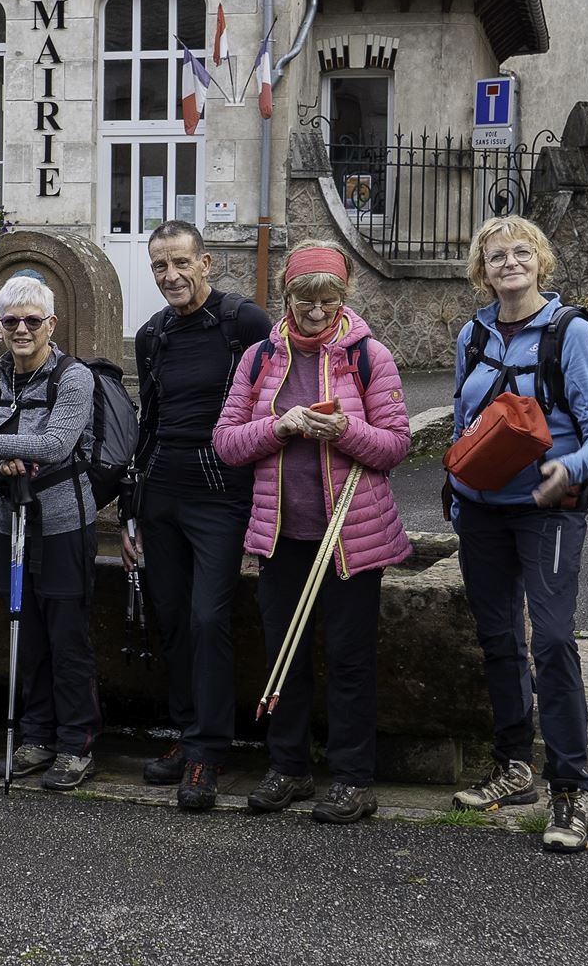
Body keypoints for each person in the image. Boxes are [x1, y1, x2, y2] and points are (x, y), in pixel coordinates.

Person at [212, 242, 412, 824]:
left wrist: (343, 429)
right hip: (282, 533)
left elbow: (396, 444)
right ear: (286, 296)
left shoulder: (370, 356)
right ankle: (289, 768)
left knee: (350, 658)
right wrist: (280, 426)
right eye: (305, 298)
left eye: (330, 299)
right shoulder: (259, 358)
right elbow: (227, 443)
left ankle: (353, 778)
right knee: (286, 654)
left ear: (344, 297)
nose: (317, 311)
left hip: (353, 538)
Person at [445, 217, 588, 853]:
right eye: (497, 256)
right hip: (481, 512)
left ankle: (568, 791)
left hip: (546, 510)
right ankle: (512, 767)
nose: (510, 264)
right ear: (481, 269)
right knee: (497, 641)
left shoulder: (569, 333)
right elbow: (466, 424)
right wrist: (459, 497)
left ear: (541, 264)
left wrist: (564, 470)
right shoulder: (473, 333)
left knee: (550, 642)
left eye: (522, 254)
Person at [125, 220, 273, 810]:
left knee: (209, 618)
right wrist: (132, 511)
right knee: (172, 619)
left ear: (205, 262)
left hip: (221, 496)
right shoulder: (152, 334)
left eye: (181, 263)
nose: (171, 276)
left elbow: (270, 405)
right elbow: (149, 424)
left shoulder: (244, 323)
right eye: (160, 266)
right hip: (163, 491)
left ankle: (208, 752)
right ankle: (187, 736)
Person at [0, 276, 101, 791]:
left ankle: (76, 743)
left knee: (66, 634)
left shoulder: (73, 379)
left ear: (51, 324)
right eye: (11, 321)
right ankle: (35, 734)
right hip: (9, 526)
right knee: (24, 632)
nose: (22, 329)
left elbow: (55, 445)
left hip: (62, 525)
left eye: (33, 320)